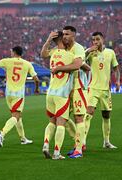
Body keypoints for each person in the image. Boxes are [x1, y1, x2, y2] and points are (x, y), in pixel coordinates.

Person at [42, 26, 88, 159]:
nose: (65, 36)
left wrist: (59, 68)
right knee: (63, 119)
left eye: (67, 34)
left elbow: (77, 65)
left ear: (74, 35)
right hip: (65, 89)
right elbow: (44, 54)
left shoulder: (78, 48)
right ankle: (77, 142)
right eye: (64, 35)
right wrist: (49, 40)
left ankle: (79, 149)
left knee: (78, 117)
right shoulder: (62, 49)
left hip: (78, 87)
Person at [0, 46, 39, 147]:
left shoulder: (8, 61)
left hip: (9, 93)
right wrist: (36, 88)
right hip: (18, 94)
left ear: (14, 52)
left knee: (18, 117)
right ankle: (1, 133)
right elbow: (36, 79)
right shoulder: (27, 64)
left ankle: (23, 138)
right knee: (16, 116)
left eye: (11, 51)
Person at [41, 31, 75, 160]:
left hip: (50, 92)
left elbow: (43, 54)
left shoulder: (53, 53)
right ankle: (56, 153)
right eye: (65, 37)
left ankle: (45, 145)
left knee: (51, 122)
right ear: (62, 39)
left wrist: (48, 39)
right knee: (61, 123)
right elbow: (80, 65)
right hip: (61, 94)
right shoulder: (70, 55)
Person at [84, 32, 120, 149]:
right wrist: (88, 50)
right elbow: (79, 60)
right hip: (92, 88)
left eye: (97, 39)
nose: (95, 42)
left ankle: (106, 142)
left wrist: (118, 81)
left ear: (103, 39)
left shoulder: (110, 53)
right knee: (88, 114)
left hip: (105, 90)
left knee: (106, 115)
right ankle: (82, 142)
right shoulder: (90, 53)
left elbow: (116, 69)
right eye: (93, 40)